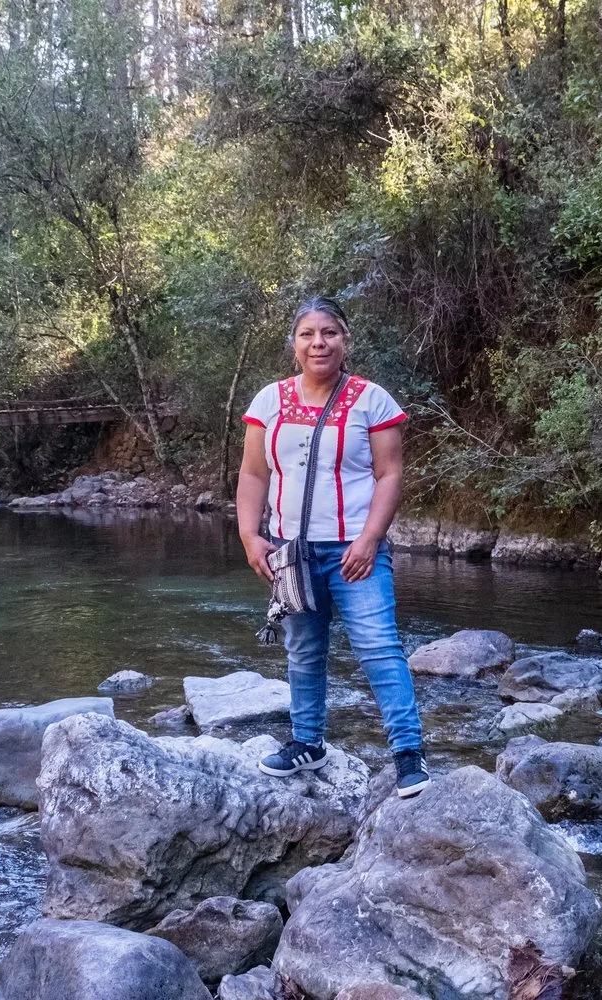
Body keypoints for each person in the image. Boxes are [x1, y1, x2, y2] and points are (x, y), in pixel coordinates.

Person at [235, 296, 429, 798]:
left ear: (345, 340)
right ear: (294, 345)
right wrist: (250, 535)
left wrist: (369, 539)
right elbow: (253, 473)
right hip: (291, 551)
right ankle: (308, 743)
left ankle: (409, 755)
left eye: (329, 333)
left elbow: (390, 475)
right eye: (308, 334)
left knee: (378, 646)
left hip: (354, 550)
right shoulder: (268, 402)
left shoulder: (372, 400)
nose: (318, 342)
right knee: (303, 649)